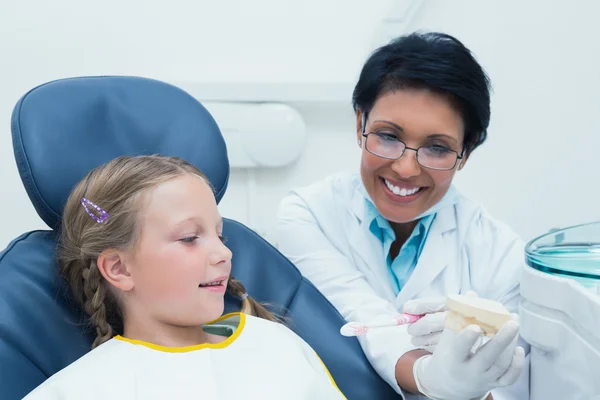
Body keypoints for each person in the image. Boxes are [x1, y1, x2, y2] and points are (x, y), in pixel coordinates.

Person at [275, 32, 529, 400]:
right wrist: (430, 377)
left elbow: (516, 389)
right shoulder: (308, 215)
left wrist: (473, 388)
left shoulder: (502, 257)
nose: (406, 168)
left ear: (466, 152)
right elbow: (358, 310)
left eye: (437, 147)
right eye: (388, 136)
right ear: (360, 123)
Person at [23, 155, 345, 400]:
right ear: (119, 269)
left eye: (221, 236)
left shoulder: (276, 346)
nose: (224, 254)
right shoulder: (81, 390)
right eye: (190, 238)